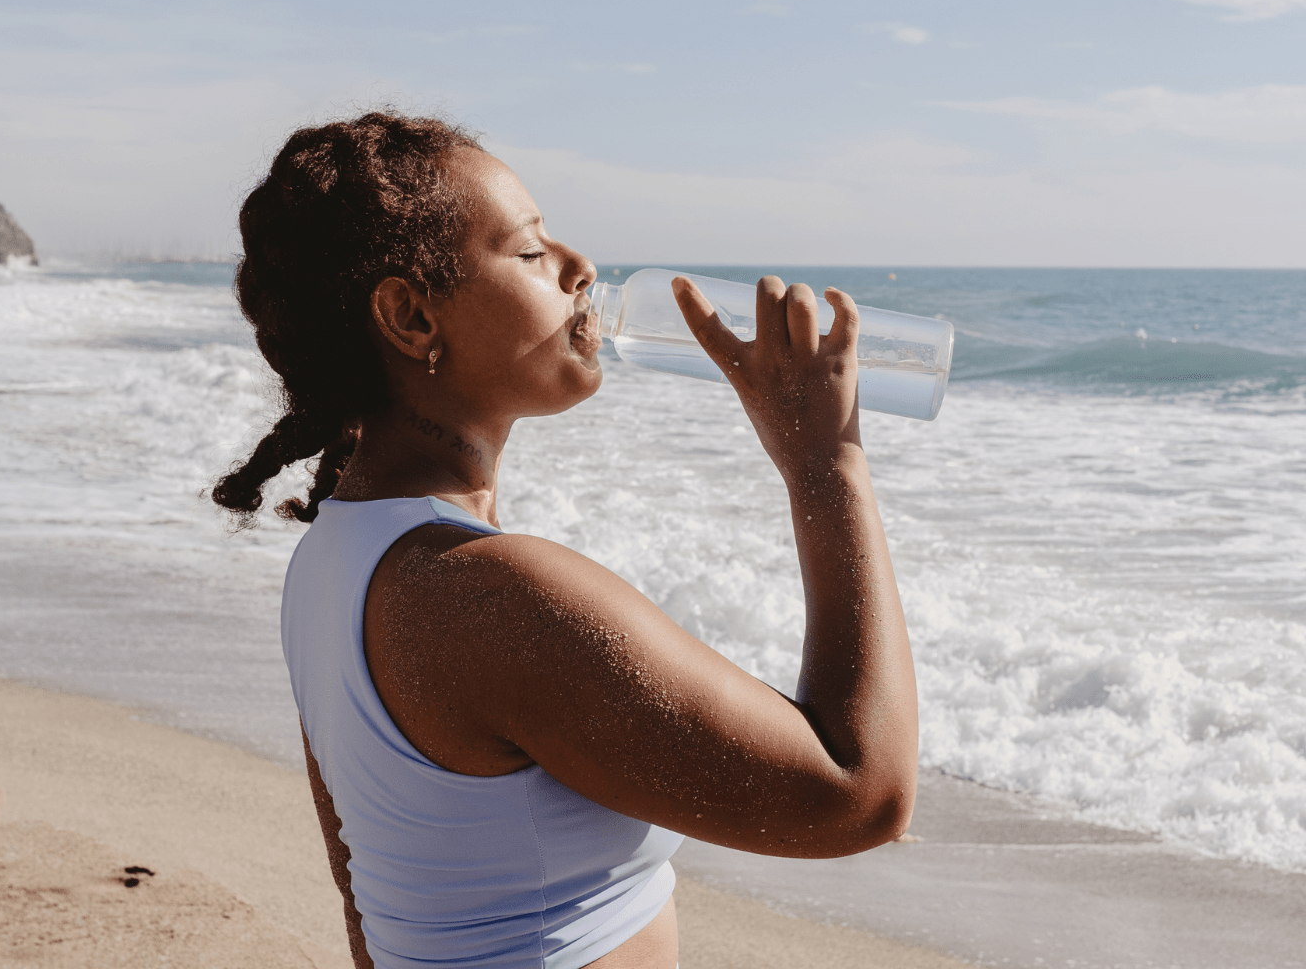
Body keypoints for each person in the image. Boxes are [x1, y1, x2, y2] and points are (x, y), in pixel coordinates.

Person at [213, 111, 918, 969]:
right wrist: (823, 461)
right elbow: (861, 794)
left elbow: (365, 902)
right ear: (409, 316)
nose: (581, 269)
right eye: (530, 252)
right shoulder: (490, 594)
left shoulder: (331, 562)